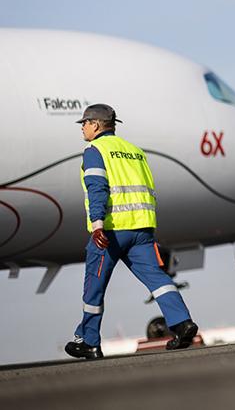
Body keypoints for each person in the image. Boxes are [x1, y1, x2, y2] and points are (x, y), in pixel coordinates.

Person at [64, 103, 198, 360]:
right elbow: (148, 187)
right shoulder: (135, 151)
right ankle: (182, 323)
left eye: (84, 123)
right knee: (157, 279)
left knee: (95, 286)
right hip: (142, 227)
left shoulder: (95, 150)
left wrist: (98, 224)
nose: (82, 128)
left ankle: (89, 342)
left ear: (96, 125)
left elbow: (97, 187)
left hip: (112, 230)